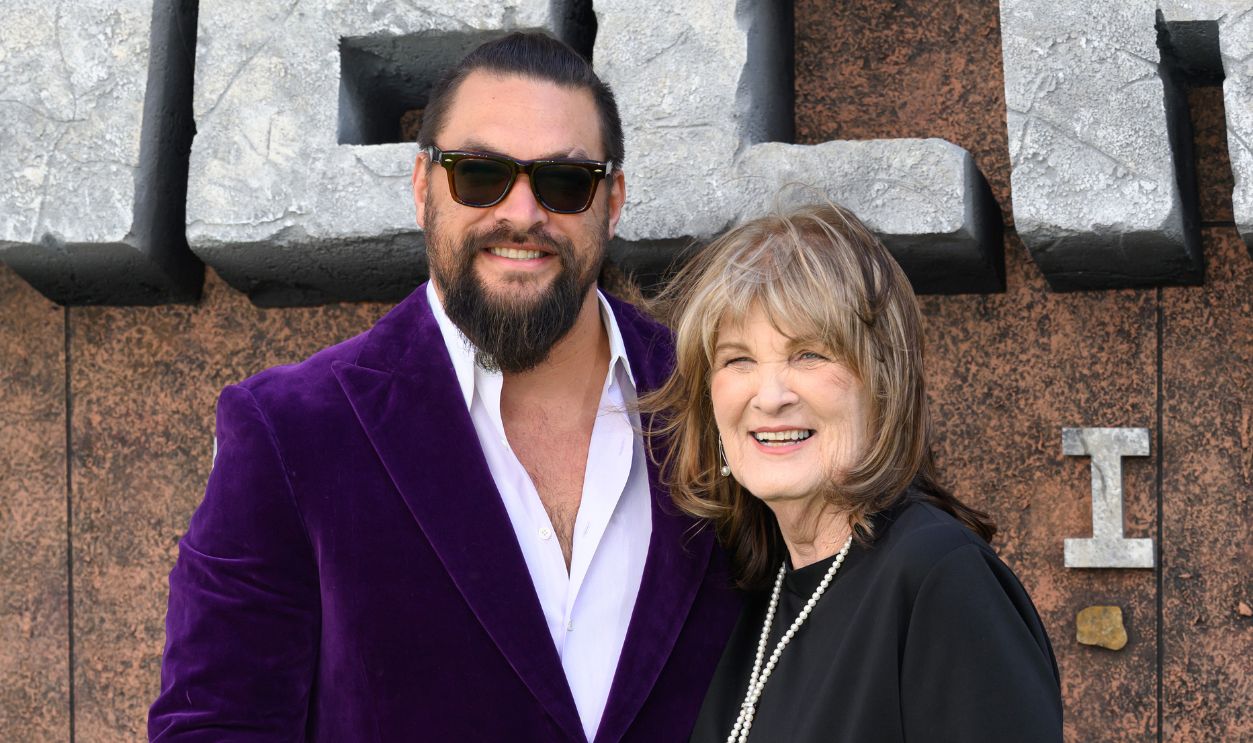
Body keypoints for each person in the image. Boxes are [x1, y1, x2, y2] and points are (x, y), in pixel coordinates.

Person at [149, 32, 739, 742]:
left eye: (563, 182)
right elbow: (216, 724)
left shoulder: (717, 397)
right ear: (423, 185)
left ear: (611, 201)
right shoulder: (291, 429)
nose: (522, 213)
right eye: (480, 174)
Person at [644, 204, 1063, 742]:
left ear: (882, 382)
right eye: (737, 360)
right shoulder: (753, 590)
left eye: (810, 354)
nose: (769, 398)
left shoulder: (939, 576)